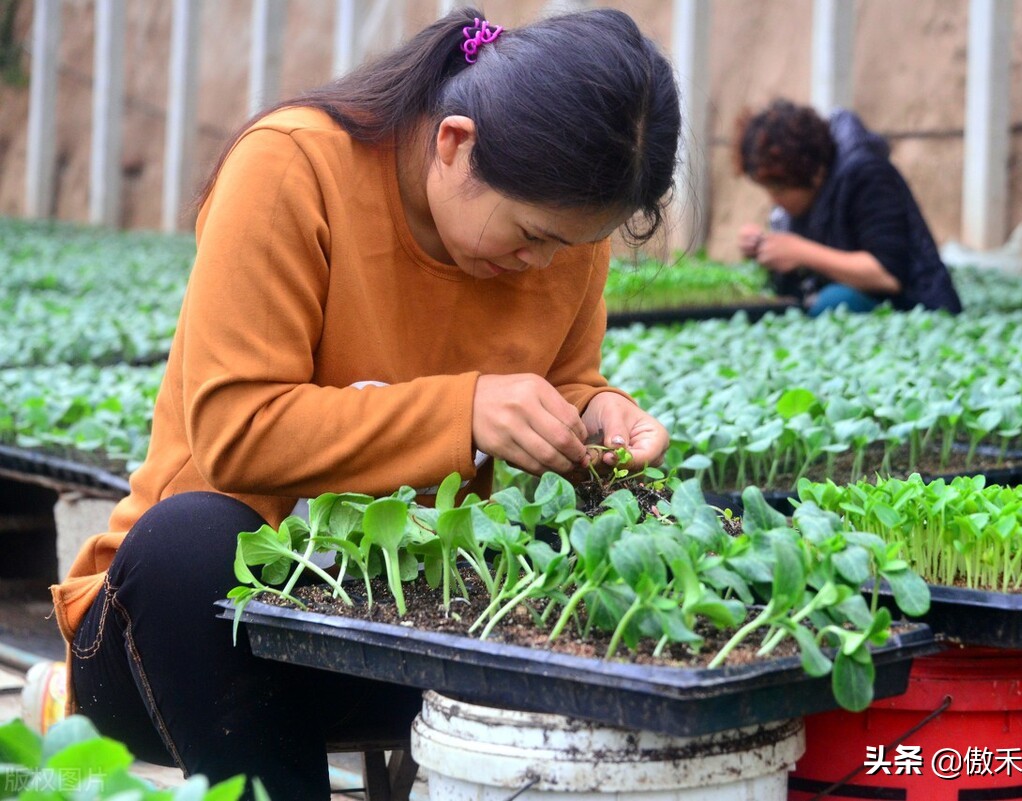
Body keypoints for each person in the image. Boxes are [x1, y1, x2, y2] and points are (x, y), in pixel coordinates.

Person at [49, 8, 680, 799]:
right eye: (530, 235)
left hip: (413, 625)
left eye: (568, 246)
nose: (542, 263)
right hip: (197, 635)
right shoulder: (292, 166)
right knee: (193, 539)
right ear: (456, 144)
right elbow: (235, 432)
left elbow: (564, 381)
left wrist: (594, 415)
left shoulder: (564, 238)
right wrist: (465, 413)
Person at [734, 99, 962, 316]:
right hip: (857, 305)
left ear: (814, 175)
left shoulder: (867, 174)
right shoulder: (809, 189)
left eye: (779, 191)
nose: (774, 201)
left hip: (915, 308)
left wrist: (801, 252)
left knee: (834, 302)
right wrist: (763, 246)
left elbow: (888, 275)